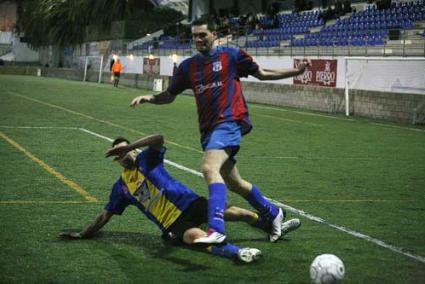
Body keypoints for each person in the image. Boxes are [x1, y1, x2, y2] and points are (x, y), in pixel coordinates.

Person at [129, 16, 309, 244]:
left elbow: (262, 73)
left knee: (208, 167)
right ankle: (273, 213)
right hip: (208, 132)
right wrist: (150, 98)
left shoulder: (231, 56)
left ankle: (215, 228)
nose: (198, 39)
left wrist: (296, 72)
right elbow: (169, 96)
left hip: (229, 122)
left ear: (214, 34)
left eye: (202, 34)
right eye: (194, 35)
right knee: (234, 183)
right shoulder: (188, 67)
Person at [59, 134, 301, 263]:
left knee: (241, 214)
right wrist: (83, 233)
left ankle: (272, 225)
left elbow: (158, 138)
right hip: (172, 224)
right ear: (116, 160)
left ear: (132, 150)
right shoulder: (121, 187)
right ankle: (239, 253)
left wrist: (131, 144)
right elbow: (104, 215)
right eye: (120, 153)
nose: (125, 154)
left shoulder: (147, 159)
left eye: (128, 149)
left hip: (191, 202)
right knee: (198, 239)